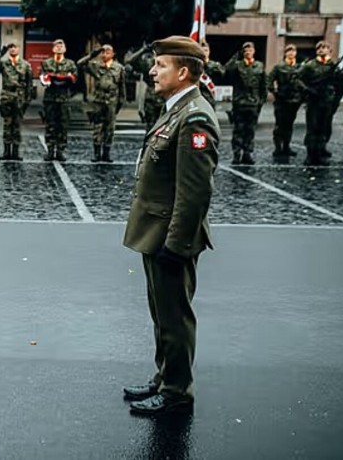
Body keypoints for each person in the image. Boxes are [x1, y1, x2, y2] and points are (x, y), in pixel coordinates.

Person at [122, 35, 220, 417]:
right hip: (156, 233)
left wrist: (176, 245)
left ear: (183, 71)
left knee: (174, 316)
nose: (152, 70)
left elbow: (194, 193)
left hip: (171, 237)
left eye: (160, 65)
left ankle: (178, 390)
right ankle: (165, 377)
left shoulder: (194, 116)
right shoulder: (175, 109)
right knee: (161, 313)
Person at [0, 42, 34, 161]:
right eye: (10, 48)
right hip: (7, 96)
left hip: (20, 97)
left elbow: (29, 84)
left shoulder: (25, 65)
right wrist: (0, 54)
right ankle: (6, 151)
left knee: (17, 125)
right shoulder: (4, 63)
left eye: (15, 47)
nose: (13, 49)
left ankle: (16, 152)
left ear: (19, 49)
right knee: (7, 125)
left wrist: (27, 101)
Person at [224, 41, 266, 165]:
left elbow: (263, 84)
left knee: (250, 130)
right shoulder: (238, 65)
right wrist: (235, 57)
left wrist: (261, 101)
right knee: (238, 130)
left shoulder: (259, 66)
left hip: (253, 104)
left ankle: (247, 153)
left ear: (254, 52)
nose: (248, 52)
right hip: (239, 103)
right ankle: (237, 154)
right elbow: (226, 70)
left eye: (250, 50)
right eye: (245, 50)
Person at [299, 40, 340, 166]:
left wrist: (334, 96)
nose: (321, 50)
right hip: (313, 101)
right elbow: (298, 79)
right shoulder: (310, 65)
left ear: (329, 51)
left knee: (323, 129)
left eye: (324, 48)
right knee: (312, 128)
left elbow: (339, 82)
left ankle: (320, 154)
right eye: (319, 48)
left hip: (327, 101)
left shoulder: (333, 66)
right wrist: (308, 90)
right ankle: (310, 155)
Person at [85, 44, 125, 162]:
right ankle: (97, 154)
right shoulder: (96, 66)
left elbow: (122, 87)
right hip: (98, 101)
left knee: (109, 129)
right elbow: (80, 64)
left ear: (113, 54)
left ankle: (106, 153)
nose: (105, 54)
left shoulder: (119, 68)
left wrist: (120, 103)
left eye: (108, 51)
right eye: (103, 52)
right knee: (97, 128)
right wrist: (93, 54)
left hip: (112, 102)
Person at [39, 39, 78, 161]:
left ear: (65, 49)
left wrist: (62, 79)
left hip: (64, 98)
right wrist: (55, 79)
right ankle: (50, 150)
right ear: (53, 49)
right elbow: (43, 78)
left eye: (61, 46)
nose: (59, 47)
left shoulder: (70, 64)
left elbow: (74, 79)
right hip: (50, 98)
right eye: (57, 46)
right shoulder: (46, 63)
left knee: (63, 125)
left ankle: (60, 150)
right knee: (50, 124)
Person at [267, 44, 305, 157]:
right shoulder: (279, 67)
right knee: (279, 125)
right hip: (281, 100)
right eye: (289, 51)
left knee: (289, 125)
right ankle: (278, 148)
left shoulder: (299, 68)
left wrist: (301, 96)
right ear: (285, 53)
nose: (291, 53)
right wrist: (274, 92)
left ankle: (287, 147)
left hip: (294, 101)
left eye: (293, 51)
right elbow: (269, 80)